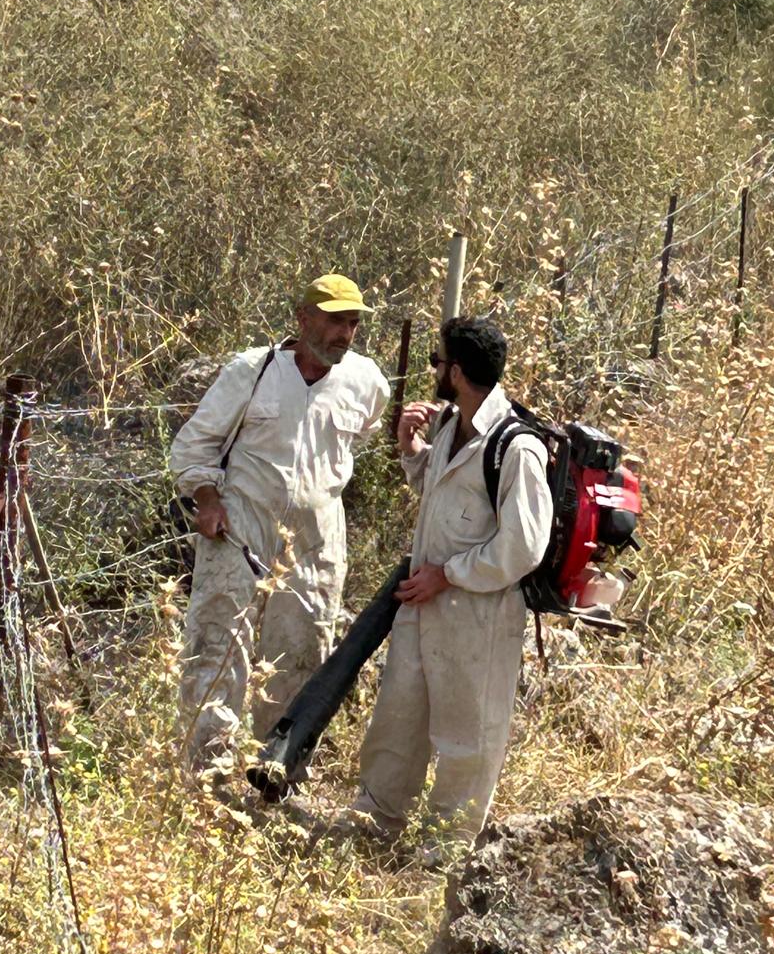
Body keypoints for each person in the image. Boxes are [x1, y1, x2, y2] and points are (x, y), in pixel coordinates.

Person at [170, 274, 390, 771]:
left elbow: (360, 439)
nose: (344, 333)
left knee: (303, 657)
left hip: (314, 545)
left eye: (353, 323)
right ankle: (208, 779)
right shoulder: (252, 371)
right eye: (335, 320)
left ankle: (274, 775)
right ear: (303, 317)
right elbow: (193, 446)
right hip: (240, 529)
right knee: (218, 652)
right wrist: (207, 499)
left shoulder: (367, 381)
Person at [353, 315, 553, 842]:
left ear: (457, 371)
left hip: (478, 618)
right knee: (399, 719)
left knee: (468, 738)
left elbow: (522, 546)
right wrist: (410, 447)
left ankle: (443, 854)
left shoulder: (517, 448)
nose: (433, 370)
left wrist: (449, 575)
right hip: (425, 603)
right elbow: (441, 497)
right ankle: (374, 825)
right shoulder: (449, 422)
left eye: (437, 361)